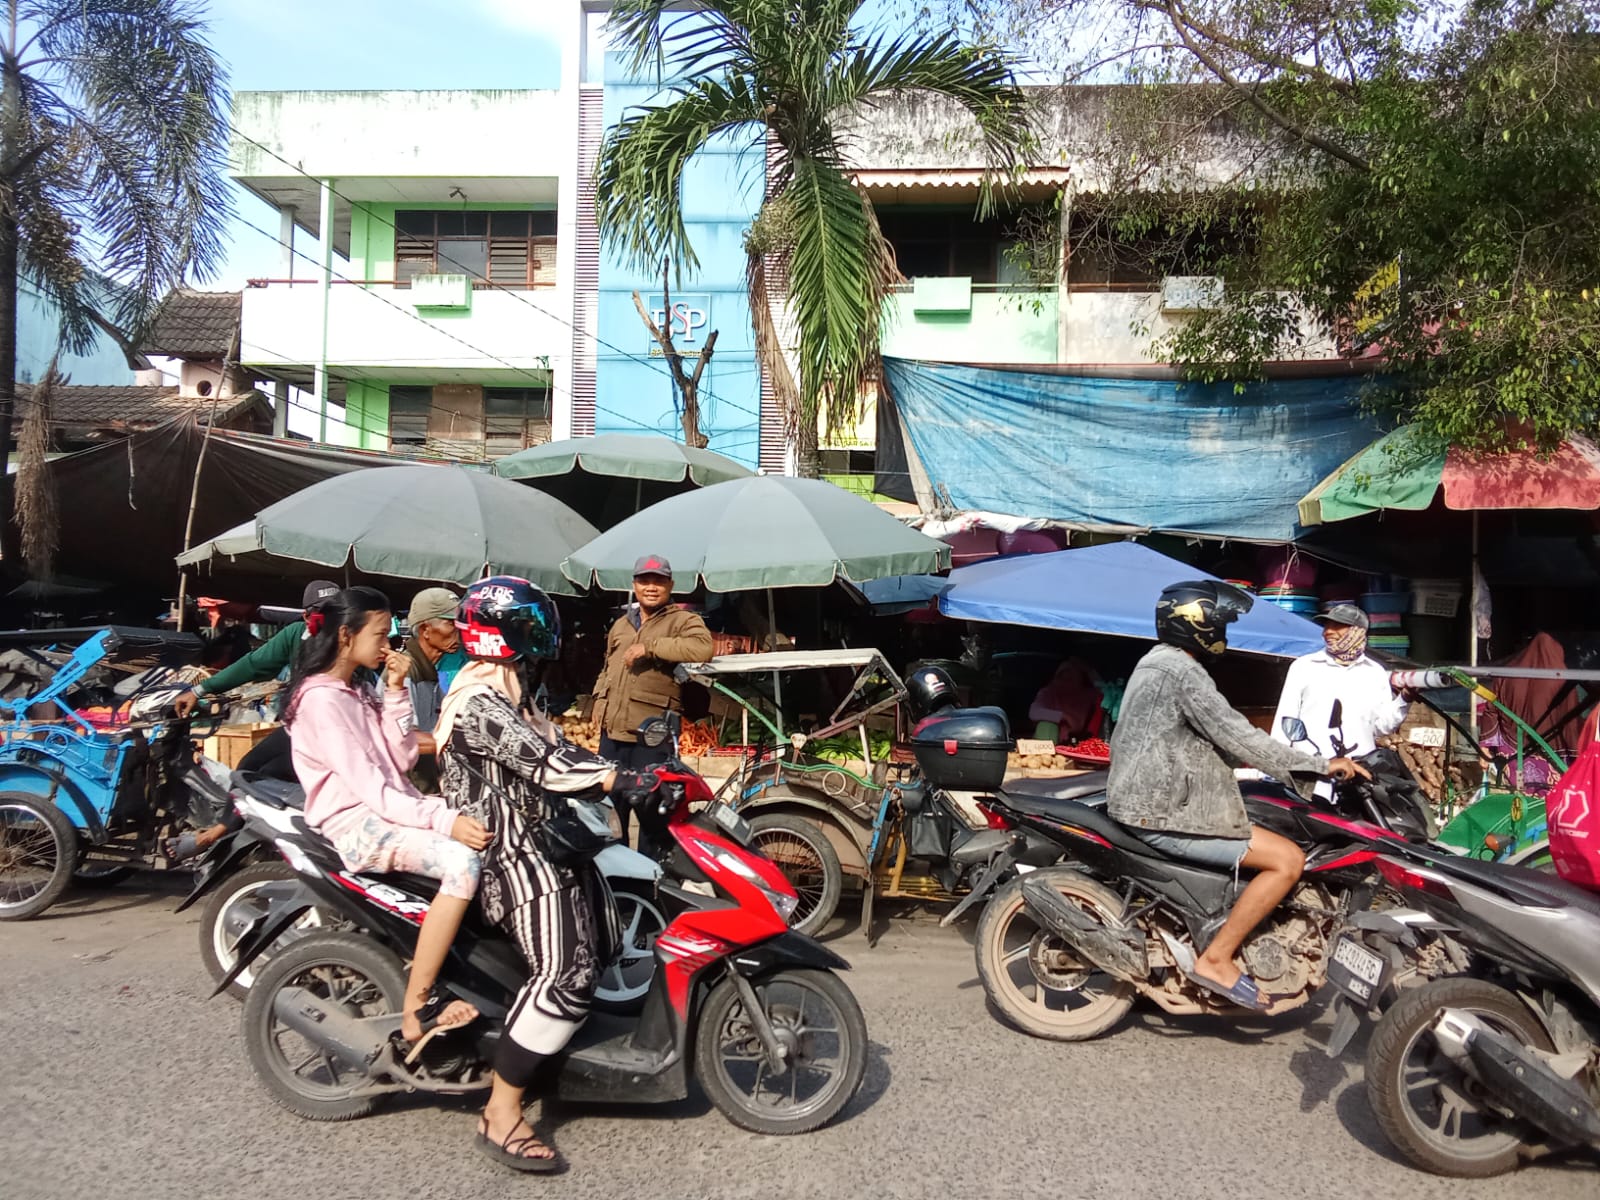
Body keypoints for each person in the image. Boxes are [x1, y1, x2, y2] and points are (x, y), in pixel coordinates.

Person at [436, 576, 661, 1172]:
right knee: (568, 974)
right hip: (510, 856)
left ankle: (543, 1041)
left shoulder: (515, 696)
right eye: (528, 626)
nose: (540, 637)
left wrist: (643, 773)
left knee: (604, 942)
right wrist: (616, 777)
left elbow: (561, 749)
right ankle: (501, 1112)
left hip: (545, 842)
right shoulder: (479, 704)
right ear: (498, 634)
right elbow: (544, 761)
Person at [1107, 580, 1369, 1010]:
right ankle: (1217, 958)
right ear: (1197, 623)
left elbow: (1217, 739)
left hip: (1147, 802)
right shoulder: (1181, 672)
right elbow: (1239, 736)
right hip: (1160, 811)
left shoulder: (1157, 662)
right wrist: (1322, 766)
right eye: (1220, 623)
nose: (1223, 631)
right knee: (1288, 860)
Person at [284, 585, 492, 1044]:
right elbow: (373, 790)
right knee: (462, 864)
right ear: (346, 635)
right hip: (359, 825)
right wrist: (445, 821)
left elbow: (400, 759)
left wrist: (395, 691)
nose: (387, 644)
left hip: (391, 808)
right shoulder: (321, 701)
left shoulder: (356, 689)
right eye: (379, 634)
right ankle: (419, 1005)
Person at [166, 580, 341, 858]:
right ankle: (226, 833)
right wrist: (200, 689)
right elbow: (254, 664)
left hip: (336, 736)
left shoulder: (349, 639)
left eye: (337, 611)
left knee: (274, 775)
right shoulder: (297, 635)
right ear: (307, 615)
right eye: (324, 612)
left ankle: (219, 834)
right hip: (299, 729)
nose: (332, 619)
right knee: (248, 771)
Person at [592, 554, 713, 845]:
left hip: (652, 736)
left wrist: (650, 647)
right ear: (634, 585)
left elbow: (703, 648)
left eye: (658, 581)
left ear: (670, 585)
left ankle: (654, 870)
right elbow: (608, 668)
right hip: (613, 735)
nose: (651, 587)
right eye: (644, 580)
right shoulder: (621, 625)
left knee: (653, 812)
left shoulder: (683, 620)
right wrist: (598, 705)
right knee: (611, 813)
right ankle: (618, 870)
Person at [1271, 603, 1408, 783]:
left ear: (1358, 631)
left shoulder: (1375, 672)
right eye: (1326, 626)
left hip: (1358, 774)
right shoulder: (1304, 667)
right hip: (1311, 774)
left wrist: (1405, 699)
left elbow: (1380, 727)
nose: (1327, 632)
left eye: (1337, 626)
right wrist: (1276, 768)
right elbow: (1285, 722)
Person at [395, 586, 468, 776]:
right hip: (410, 784)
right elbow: (403, 738)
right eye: (451, 624)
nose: (459, 632)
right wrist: (467, 742)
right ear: (425, 630)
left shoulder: (430, 670)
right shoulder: (403, 671)